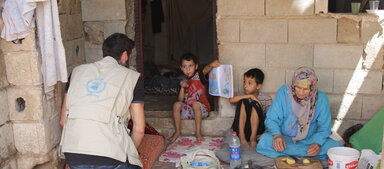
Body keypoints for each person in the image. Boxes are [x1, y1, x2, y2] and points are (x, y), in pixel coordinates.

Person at [59, 33, 145, 169]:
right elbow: (139, 130)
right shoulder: (132, 78)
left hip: (74, 156)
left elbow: (63, 121)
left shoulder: (76, 72)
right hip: (111, 158)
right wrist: (129, 153)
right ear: (124, 55)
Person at [256, 67, 342, 159]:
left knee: (336, 147)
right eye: (298, 87)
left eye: (305, 89)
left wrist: (317, 144)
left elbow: (324, 128)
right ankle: (304, 154)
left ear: (312, 87)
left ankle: (292, 153)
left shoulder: (321, 99)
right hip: (284, 139)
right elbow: (271, 119)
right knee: (265, 141)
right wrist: (277, 136)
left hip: (310, 140)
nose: (301, 92)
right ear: (294, 84)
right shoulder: (284, 93)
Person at [168, 53, 220, 142]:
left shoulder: (199, 76)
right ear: (181, 68)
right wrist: (182, 88)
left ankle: (198, 133)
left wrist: (211, 65)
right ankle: (177, 132)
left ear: (196, 67)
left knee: (196, 105)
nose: (187, 69)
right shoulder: (183, 81)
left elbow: (206, 69)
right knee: (176, 104)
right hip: (189, 111)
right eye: (184, 66)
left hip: (202, 109)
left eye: (190, 66)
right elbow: (180, 100)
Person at [229, 68, 273, 148]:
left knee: (255, 104)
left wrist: (264, 134)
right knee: (244, 101)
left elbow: (270, 119)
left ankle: (252, 139)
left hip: (257, 132)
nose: (245, 86)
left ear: (258, 86)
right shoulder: (242, 96)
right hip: (241, 129)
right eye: (244, 82)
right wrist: (250, 96)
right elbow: (231, 100)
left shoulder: (266, 98)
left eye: (249, 83)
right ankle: (242, 138)